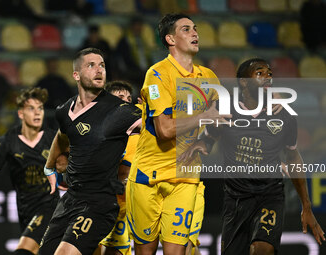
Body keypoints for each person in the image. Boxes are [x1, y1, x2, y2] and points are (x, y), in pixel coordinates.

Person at [181, 58, 325, 255]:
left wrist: (306, 206)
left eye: (270, 74)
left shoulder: (284, 116)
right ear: (243, 81)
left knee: (261, 250)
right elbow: (211, 134)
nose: (267, 77)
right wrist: (203, 142)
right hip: (235, 198)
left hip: (269, 195)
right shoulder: (226, 108)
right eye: (260, 73)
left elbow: (293, 157)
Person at [125, 13, 229, 255]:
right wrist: (204, 117)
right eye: (186, 29)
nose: (195, 33)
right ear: (170, 39)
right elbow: (164, 130)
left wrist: (206, 141)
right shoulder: (157, 74)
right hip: (147, 177)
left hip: (185, 177)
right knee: (145, 251)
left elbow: (224, 113)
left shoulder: (208, 77)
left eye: (195, 28)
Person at [39, 48, 141, 255]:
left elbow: (162, 128)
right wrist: (49, 167)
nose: (99, 70)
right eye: (91, 65)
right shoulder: (64, 111)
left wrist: (201, 119)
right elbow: (62, 135)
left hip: (98, 203)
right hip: (69, 200)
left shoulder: (120, 110)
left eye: (102, 65)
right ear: (76, 75)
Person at [0, 87, 60, 255]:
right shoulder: (8, 141)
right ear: (20, 114)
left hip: (50, 206)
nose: (37, 113)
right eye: (31, 108)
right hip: (25, 209)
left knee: (24, 251)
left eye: (40, 108)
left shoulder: (52, 138)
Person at [92, 80, 136, 255]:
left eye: (129, 98)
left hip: (127, 207)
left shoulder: (142, 133)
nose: (126, 101)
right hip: (98, 204)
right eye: (120, 97)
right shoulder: (95, 131)